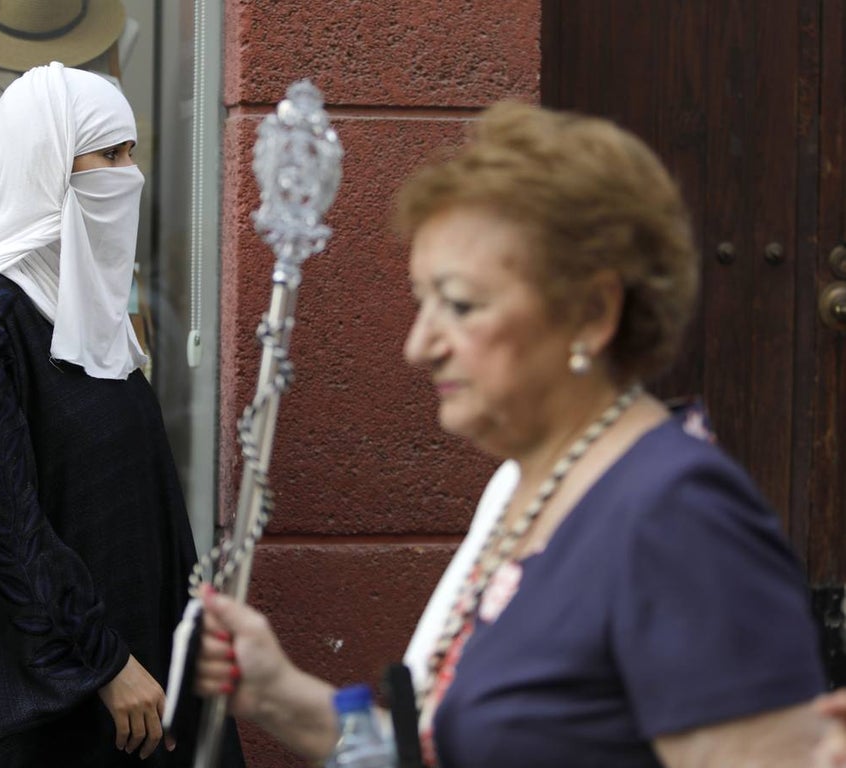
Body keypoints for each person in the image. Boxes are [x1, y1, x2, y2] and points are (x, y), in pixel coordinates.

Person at [194, 101, 837, 767]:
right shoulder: (525, 485)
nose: (420, 346)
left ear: (592, 312)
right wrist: (280, 696)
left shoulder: (676, 515)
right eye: (422, 301)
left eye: (462, 305)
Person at [0, 62, 234, 766]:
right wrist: (104, 663)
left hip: (131, 697)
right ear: (46, 166)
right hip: (56, 712)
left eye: (131, 153)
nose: (129, 176)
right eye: (106, 156)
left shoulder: (95, 316)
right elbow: (2, 526)